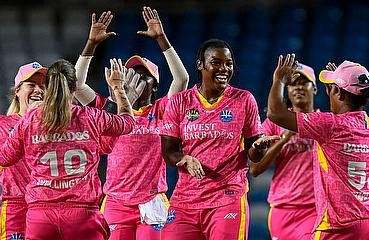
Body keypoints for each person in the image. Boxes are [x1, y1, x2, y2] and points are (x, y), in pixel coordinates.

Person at [73, 7, 189, 240]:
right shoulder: (110, 110)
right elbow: (75, 84)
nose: (133, 78)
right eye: (129, 73)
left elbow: (182, 79)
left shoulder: (162, 110)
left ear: (154, 85)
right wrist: (90, 45)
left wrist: (161, 39)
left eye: (141, 74)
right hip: (116, 203)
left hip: (152, 201)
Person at [0, 58, 136, 240]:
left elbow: (5, 158)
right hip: (82, 214)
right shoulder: (90, 116)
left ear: (49, 87)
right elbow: (127, 123)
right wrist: (119, 89)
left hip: (40, 216)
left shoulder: (31, 119)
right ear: (75, 89)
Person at [160, 38, 278, 240]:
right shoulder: (180, 101)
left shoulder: (244, 100)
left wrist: (258, 147)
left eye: (229, 63)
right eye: (216, 62)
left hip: (227, 199)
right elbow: (169, 152)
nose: (224, 68)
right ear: (200, 64)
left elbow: (254, 154)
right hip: (185, 201)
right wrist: (186, 159)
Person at [267, 54, 369, 239]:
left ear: (340, 94)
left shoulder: (329, 126)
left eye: (333, 88)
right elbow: (343, 115)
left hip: (340, 225)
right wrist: (338, 81)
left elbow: (275, 113)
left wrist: (279, 79)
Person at [249, 63, 318, 240]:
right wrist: (284, 139)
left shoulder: (323, 123)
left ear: (315, 88)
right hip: (281, 206)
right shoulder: (274, 124)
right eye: (293, 83)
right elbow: (255, 169)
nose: (299, 87)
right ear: (287, 89)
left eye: (305, 82)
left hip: (314, 208)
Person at [0, 62, 46, 239]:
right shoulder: (2, 125)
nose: (38, 90)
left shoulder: (57, 127)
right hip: (16, 209)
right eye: (31, 85)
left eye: (42, 86)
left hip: (49, 207)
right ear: (17, 91)